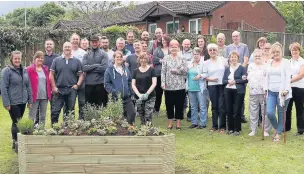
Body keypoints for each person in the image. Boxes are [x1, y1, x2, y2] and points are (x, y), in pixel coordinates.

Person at [1, 50, 33, 152]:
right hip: (13, 102)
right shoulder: (6, 71)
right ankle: (17, 143)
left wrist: (30, 100)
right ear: (12, 59)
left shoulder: (24, 70)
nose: (17, 60)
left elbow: (28, 86)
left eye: (19, 58)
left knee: (16, 122)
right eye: (15, 58)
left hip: (23, 101)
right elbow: (3, 87)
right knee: (17, 122)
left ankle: (15, 142)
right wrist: (6, 103)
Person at [50, 42, 84, 124]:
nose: (67, 48)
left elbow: (81, 74)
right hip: (59, 89)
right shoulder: (56, 60)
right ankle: (54, 129)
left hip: (71, 89)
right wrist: (54, 87)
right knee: (55, 111)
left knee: (70, 111)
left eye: (69, 47)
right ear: (63, 48)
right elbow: (51, 74)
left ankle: (67, 129)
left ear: (71, 48)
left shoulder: (77, 61)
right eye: (65, 47)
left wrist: (78, 85)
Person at [264, 43, 292, 142]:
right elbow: (266, 76)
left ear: (281, 52)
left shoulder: (286, 62)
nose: (276, 54)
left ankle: (278, 134)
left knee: (281, 114)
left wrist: (286, 90)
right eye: (274, 52)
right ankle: (277, 128)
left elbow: (289, 77)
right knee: (269, 112)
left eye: (278, 52)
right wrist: (265, 88)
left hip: (282, 92)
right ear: (272, 53)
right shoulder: (269, 62)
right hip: (271, 91)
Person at [104, 51, 136, 128]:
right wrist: (115, 92)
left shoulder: (126, 69)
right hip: (116, 98)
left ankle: (130, 128)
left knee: (132, 113)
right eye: (117, 57)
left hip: (127, 97)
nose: (119, 58)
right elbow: (106, 84)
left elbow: (129, 81)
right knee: (118, 117)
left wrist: (130, 92)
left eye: (120, 57)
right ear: (114, 58)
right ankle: (120, 131)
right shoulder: (109, 70)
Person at [161, 40, 187, 130]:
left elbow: (185, 71)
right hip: (168, 86)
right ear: (169, 48)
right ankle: (170, 123)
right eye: (172, 47)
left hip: (180, 85)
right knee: (169, 105)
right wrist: (163, 82)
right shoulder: (165, 58)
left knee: (179, 105)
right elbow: (163, 71)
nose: (174, 49)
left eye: (175, 47)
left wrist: (175, 71)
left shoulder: (182, 58)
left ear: (179, 48)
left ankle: (178, 124)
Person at [224, 30, 250, 123]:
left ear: (239, 37)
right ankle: (231, 116)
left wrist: (240, 69)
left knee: (240, 96)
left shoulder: (244, 46)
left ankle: (241, 115)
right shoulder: (228, 47)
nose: (235, 38)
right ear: (232, 37)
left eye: (237, 36)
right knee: (230, 98)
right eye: (233, 36)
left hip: (240, 74)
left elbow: (246, 59)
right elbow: (227, 60)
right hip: (231, 73)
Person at [202, 43, 227, 133]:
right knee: (214, 106)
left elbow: (229, 70)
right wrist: (211, 79)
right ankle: (214, 126)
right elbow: (203, 76)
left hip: (222, 85)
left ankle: (222, 127)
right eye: (210, 50)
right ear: (208, 52)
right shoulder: (206, 63)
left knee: (221, 106)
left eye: (214, 50)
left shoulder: (223, 60)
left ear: (217, 51)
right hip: (211, 86)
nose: (212, 52)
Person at [247, 49, 272, 136]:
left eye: (259, 56)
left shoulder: (266, 66)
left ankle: (265, 130)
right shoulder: (250, 65)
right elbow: (249, 77)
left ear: (263, 56)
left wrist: (266, 89)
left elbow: (268, 79)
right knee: (253, 111)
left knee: (265, 112)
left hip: (263, 92)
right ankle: (253, 130)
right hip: (253, 92)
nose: (257, 57)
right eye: (256, 56)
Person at [223, 51, 247, 136]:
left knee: (237, 110)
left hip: (238, 91)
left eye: (235, 57)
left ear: (238, 58)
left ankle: (237, 129)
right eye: (232, 57)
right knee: (229, 110)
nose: (233, 58)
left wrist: (235, 81)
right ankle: (230, 128)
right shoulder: (226, 68)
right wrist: (228, 81)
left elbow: (245, 79)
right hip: (228, 90)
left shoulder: (242, 68)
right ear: (229, 58)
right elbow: (223, 81)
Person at [34, 39, 58, 125]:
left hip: (52, 85)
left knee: (54, 107)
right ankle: (37, 124)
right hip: (41, 85)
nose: (49, 45)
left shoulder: (57, 57)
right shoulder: (41, 57)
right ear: (45, 45)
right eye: (47, 44)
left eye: (50, 44)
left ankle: (53, 125)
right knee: (38, 107)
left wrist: (54, 85)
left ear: (53, 46)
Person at [82, 35, 109, 108]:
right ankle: (89, 119)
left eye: (96, 42)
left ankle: (101, 120)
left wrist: (90, 67)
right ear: (90, 43)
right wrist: (96, 65)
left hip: (100, 84)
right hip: (88, 84)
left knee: (101, 106)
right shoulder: (86, 55)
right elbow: (84, 68)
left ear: (99, 43)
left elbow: (104, 68)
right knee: (89, 106)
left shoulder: (104, 54)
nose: (94, 44)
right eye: (92, 42)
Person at [27, 51, 52, 128]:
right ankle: (29, 131)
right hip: (34, 96)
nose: (40, 59)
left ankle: (41, 131)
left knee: (43, 116)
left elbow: (48, 81)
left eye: (42, 58)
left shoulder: (45, 69)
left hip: (44, 96)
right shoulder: (29, 69)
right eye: (38, 57)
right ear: (35, 58)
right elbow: (27, 83)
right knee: (32, 116)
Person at [132, 53, 157, 125]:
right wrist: (139, 95)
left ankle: (149, 131)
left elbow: (154, 83)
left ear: (148, 60)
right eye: (141, 58)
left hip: (150, 96)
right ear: (139, 60)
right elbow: (133, 84)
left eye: (145, 58)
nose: (143, 60)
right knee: (141, 116)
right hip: (139, 97)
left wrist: (147, 94)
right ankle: (143, 132)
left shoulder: (152, 70)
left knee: (148, 116)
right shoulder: (135, 71)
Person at [187, 47, 208, 129]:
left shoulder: (203, 64)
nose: (196, 56)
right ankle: (194, 122)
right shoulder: (189, 64)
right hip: (191, 88)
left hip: (200, 88)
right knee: (193, 106)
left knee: (202, 106)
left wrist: (200, 75)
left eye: (197, 54)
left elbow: (206, 74)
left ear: (200, 55)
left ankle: (203, 123)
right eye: (194, 54)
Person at [286, 42, 304, 135]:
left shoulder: (302, 61)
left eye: (296, 50)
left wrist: (290, 80)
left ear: (299, 51)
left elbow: (301, 75)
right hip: (289, 88)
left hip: (299, 88)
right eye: (293, 50)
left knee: (299, 109)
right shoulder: (288, 62)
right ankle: (287, 127)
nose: (294, 51)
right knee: (288, 108)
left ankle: (300, 129)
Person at [153, 35, 171, 116]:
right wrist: (161, 60)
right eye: (162, 40)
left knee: (168, 93)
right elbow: (153, 58)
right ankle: (156, 110)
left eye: (165, 40)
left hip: (169, 74)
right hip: (159, 74)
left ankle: (168, 110)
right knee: (158, 93)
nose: (164, 41)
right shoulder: (157, 49)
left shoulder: (171, 49)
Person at [70, 33, 86, 120]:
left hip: (82, 79)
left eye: (77, 39)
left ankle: (82, 120)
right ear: (71, 40)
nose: (75, 40)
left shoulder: (83, 53)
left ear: (79, 41)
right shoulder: (68, 51)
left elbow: (86, 66)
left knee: (82, 101)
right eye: (74, 39)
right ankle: (70, 120)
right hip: (71, 80)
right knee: (71, 101)